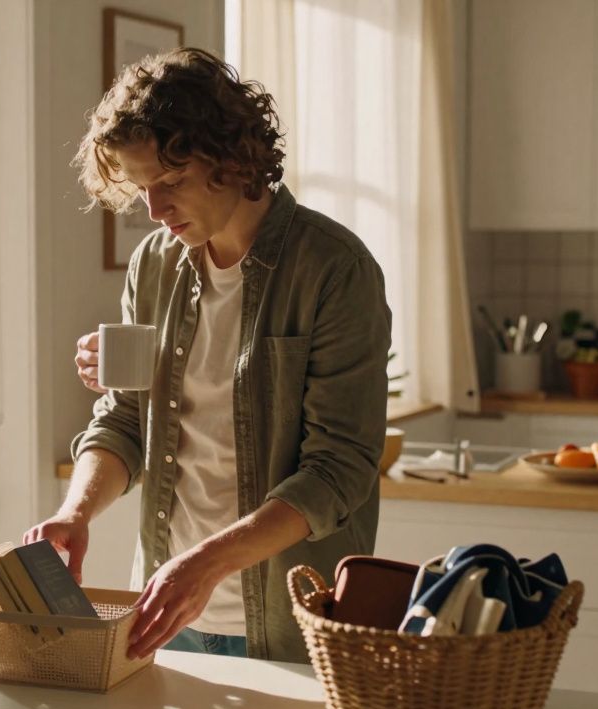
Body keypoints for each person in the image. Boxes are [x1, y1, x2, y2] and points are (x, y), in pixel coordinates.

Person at [22, 48, 391, 663]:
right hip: (168, 611)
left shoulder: (333, 268)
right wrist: (74, 512)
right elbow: (124, 421)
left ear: (232, 158)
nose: (155, 211)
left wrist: (205, 564)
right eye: (142, 189)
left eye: (170, 183)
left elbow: (339, 471)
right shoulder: (156, 264)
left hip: (291, 620)